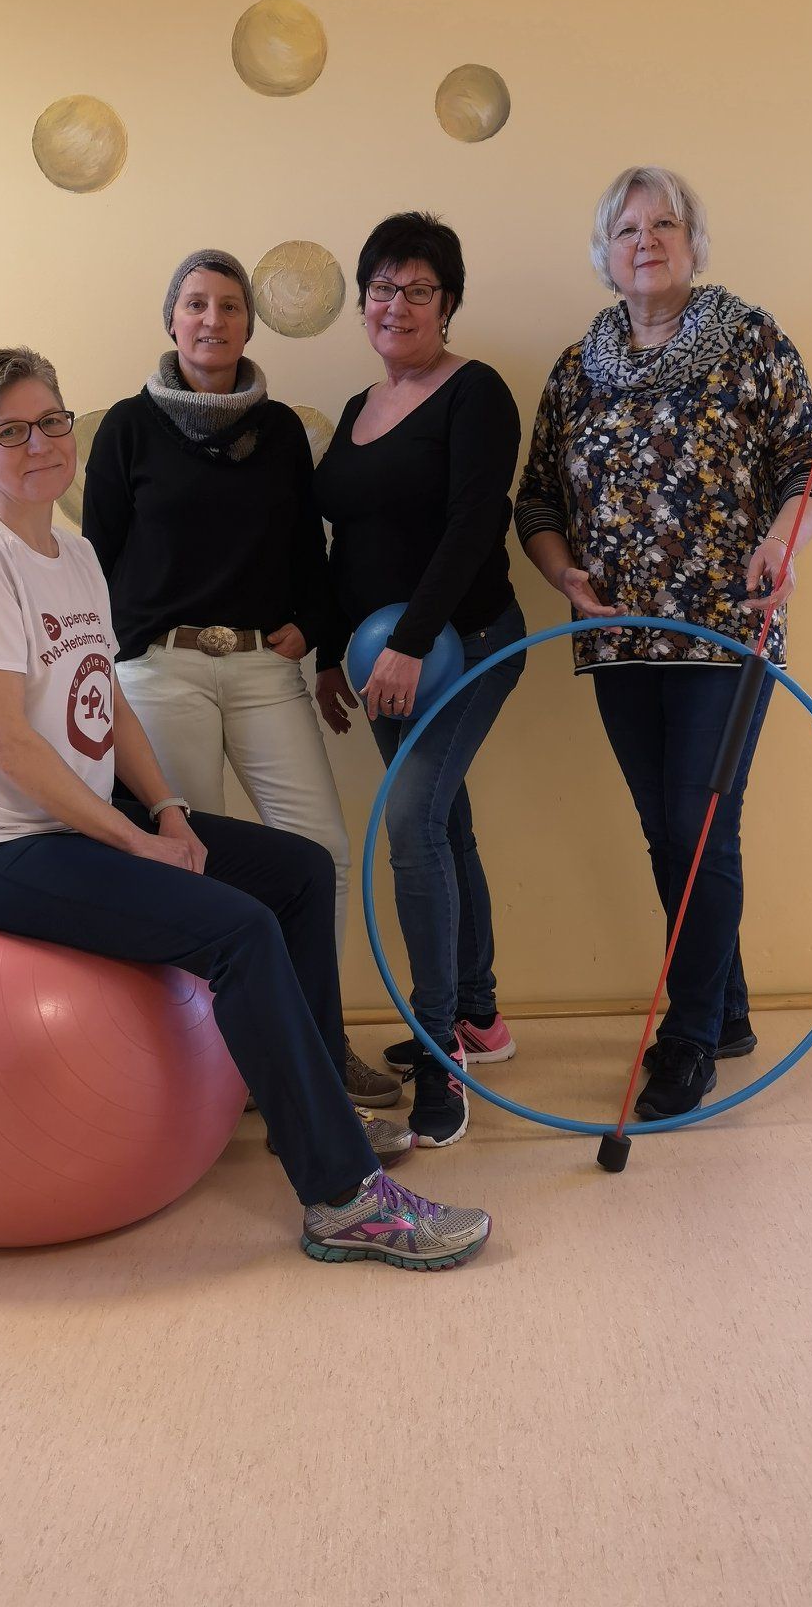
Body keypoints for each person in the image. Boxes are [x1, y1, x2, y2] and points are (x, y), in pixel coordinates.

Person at [0, 345, 490, 1270]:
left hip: (78, 823)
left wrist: (171, 812)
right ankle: (342, 1200)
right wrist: (129, 840)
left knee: (299, 870)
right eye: (10, 432)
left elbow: (108, 704)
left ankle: (319, 1110)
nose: (40, 444)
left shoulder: (74, 555)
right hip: (1, 848)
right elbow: (6, 745)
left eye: (51, 422)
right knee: (238, 929)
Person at [515, 165, 812, 1120]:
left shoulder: (749, 338)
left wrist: (784, 540)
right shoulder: (577, 367)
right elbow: (537, 500)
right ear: (605, 254)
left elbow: (811, 463)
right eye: (627, 229)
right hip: (619, 640)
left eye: (664, 224)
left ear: (693, 242)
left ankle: (689, 1035)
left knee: (699, 828)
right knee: (667, 829)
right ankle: (726, 1007)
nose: (646, 241)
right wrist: (564, 576)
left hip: (724, 631)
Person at [80, 249, 398, 1109]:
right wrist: (111, 662)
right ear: (171, 320)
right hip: (161, 672)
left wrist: (319, 634)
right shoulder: (127, 428)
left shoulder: (282, 429)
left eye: (228, 306)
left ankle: (316, 1047)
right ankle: (216, 1064)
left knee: (321, 854)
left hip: (263, 667)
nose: (211, 320)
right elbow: (96, 559)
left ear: (249, 326)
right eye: (195, 304)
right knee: (189, 865)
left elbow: (304, 548)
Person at [314, 213, 524, 1149]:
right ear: (364, 301)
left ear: (449, 303)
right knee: (445, 822)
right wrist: (333, 652)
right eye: (382, 288)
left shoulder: (477, 393)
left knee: (411, 824)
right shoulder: (358, 405)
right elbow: (343, 541)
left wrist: (409, 640)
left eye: (419, 289)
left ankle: (442, 1057)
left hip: (467, 644)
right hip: (382, 661)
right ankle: (478, 1015)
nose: (396, 305)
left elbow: (476, 522)